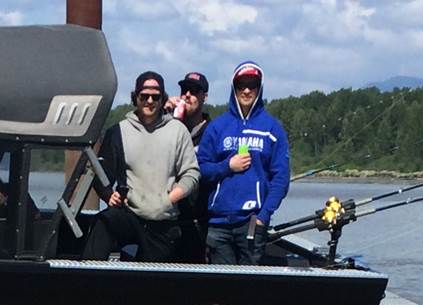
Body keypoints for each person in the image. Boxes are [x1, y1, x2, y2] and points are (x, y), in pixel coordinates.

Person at [83, 71, 199, 264]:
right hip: (130, 214)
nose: (149, 101)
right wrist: (107, 195)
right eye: (144, 96)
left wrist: (170, 199)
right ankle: (87, 275)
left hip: (163, 220)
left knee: (153, 276)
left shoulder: (178, 131)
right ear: (135, 97)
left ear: (162, 99)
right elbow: (100, 173)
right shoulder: (118, 131)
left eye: (155, 97)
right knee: (103, 222)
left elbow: (191, 173)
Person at [194, 61, 289, 265]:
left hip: (252, 222)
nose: (246, 91)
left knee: (250, 282)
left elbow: (281, 178)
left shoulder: (272, 128)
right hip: (218, 224)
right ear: (234, 87)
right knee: (223, 282)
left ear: (259, 88)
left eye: (252, 85)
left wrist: (264, 215)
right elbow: (201, 170)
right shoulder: (217, 127)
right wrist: (227, 166)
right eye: (241, 85)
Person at [171, 71, 214, 261]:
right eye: (184, 90)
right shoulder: (169, 126)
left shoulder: (213, 132)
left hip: (199, 220)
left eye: (194, 91)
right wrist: (164, 115)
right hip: (169, 218)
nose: (188, 95)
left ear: (204, 97)